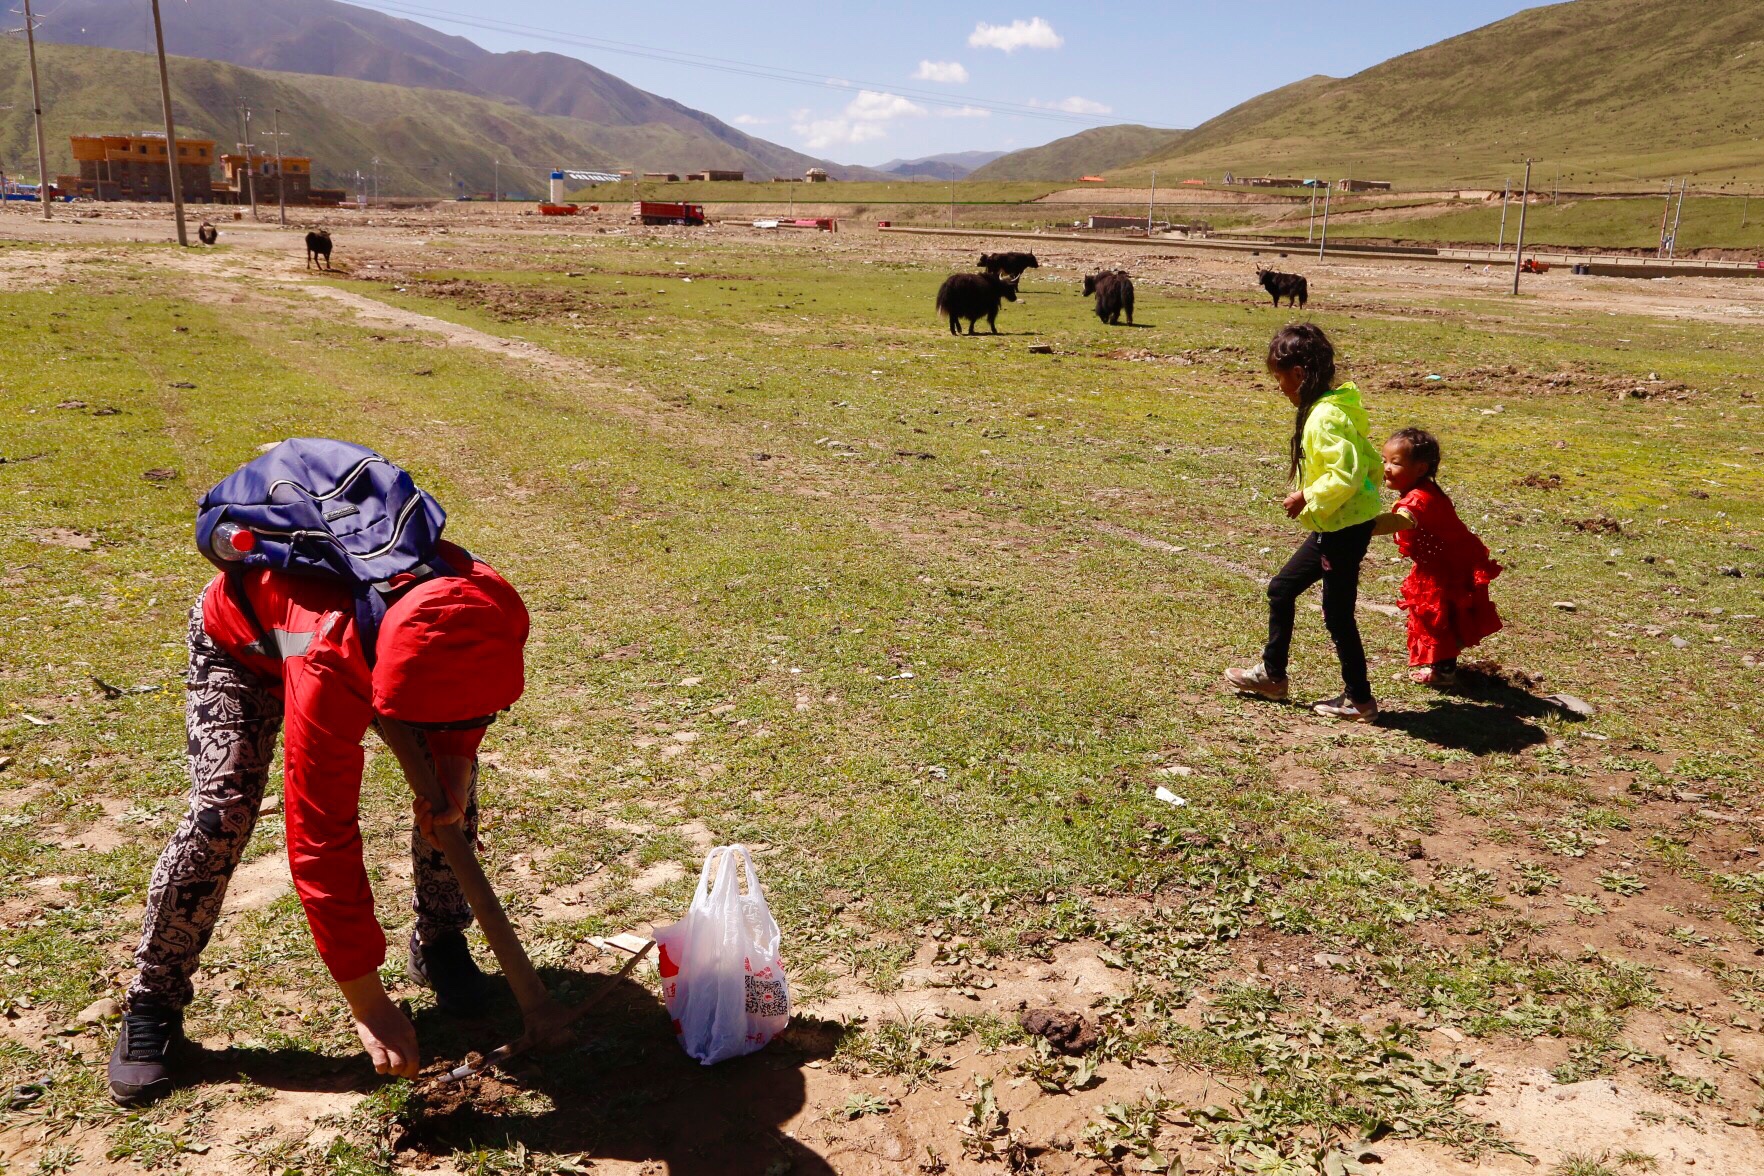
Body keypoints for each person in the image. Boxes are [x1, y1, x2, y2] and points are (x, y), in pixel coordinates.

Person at [108, 534, 529, 1106]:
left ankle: (439, 942)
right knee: (221, 815)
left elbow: (470, 697)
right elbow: (320, 834)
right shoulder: (330, 655)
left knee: (447, 797)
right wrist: (369, 1003)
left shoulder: (486, 601)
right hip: (245, 645)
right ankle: (152, 1002)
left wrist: (455, 762)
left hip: (379, 648)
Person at [1225, 324, 1383, 720]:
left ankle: (1361, 701)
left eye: (1278, 377)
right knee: (1282, 589)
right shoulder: (1329, 408)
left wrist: (1307, 495)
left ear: (1297, 374)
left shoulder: (1326, 417)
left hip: (1342, 529)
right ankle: (1273, 677)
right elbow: (1369, 463)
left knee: (1337, 614)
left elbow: (1346, 473)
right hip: (1337, 524)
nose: (1278, 387)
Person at [1373, 427, 1502, 686]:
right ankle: (1444, 665)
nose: (1386, 468)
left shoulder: (1420, 499)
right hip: (1445, 561)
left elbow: (1402, 521)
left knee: (1436, 617)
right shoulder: (1422, 489)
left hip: (1449, 566)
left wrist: (1359, 525)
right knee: (1443, 616)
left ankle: (1443, 672)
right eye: (1384, 460)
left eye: (1395, 463)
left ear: (1420, 469)